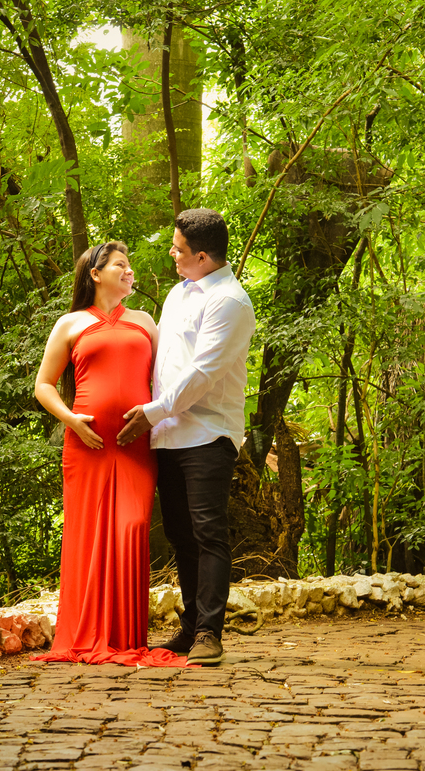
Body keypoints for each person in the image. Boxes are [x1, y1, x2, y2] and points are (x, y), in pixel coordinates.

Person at [30, 242, 188, 667]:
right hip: (87, 445)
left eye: (130, 265)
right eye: (121, 264)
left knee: (131, 527)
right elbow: (43, 385)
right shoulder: (70, 323)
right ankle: (87, 633)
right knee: (88, 535)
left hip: (136, 445)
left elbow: (170, 376)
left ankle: (125, 635)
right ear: (95, 274)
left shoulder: (145, 322)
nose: (129, 271)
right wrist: (72, 419)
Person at [117, 208, 256, 666]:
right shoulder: (178, 294)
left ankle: (210, 634)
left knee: (208, 532)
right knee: (180, 535)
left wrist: (151, 411)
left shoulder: (231, 302)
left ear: (201, 255)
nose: (172, 255)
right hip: (167, 436)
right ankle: (192, 624)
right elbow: (163, 362)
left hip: (208, 434)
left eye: (177, 249)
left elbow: (203, 373)